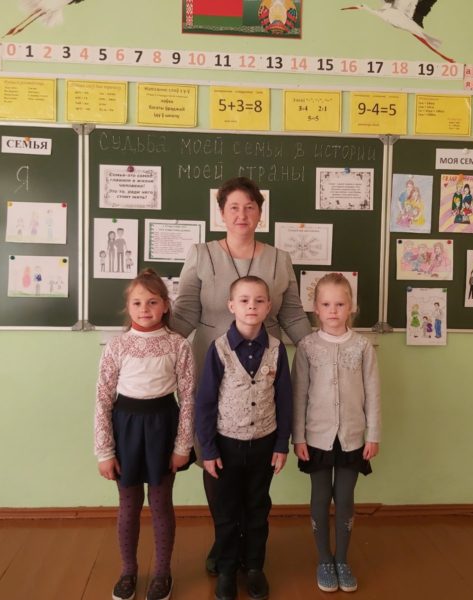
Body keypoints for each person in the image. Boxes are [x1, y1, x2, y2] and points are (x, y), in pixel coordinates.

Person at [170, 176, 311, 575]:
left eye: (250, 206)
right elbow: (184, 312)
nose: (242, 214)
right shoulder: (200, 254)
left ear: (260, 213)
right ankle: (224, 541)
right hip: (212, 367)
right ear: (221, 213)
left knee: (255, 464)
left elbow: (292, 314)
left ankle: (251, 550)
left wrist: (318, 349)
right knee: (213, 457)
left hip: (264, 369)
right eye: (233, 207)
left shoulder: (280, 259)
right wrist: (151, 344)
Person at [94, 269, 196, 600]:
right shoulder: (117, 345)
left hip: (163, 428)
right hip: (125, 430)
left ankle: (162, 573)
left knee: (161, 504)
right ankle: (128, 571)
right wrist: (105, 451)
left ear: (165, 305)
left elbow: (188, 398)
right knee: (128, 505)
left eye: (152, 302)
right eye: (137, 303)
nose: (145, 309)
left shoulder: (178, 345)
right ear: (128, 306)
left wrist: (183, 446)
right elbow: (103, 398)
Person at [195, 276, 293, 600]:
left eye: (259, 300)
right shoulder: (219, 349)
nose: (252, 306)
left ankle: (253, 567)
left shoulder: (277, 350)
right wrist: (208, 449)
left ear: (268, 306)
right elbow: (205, 402)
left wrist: (281, 444)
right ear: (231, 306)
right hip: (225, 446)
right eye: (245, 300)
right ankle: (226, 568)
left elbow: (285, 399)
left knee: (257, 508)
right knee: (225, 511)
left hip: (264, 444)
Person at [292, 273, 381, 593]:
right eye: (326, 304)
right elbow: (299, 394)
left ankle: (342, 559)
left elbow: (373, 392)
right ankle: (324, 559)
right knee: (320, 497)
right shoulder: (307, 347)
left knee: (344, 498)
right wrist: (298, 437)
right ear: (316, 308)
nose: (333, 310)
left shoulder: (362, 346)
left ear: (351, 307)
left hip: (352, 438)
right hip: (316, 438)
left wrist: (373, 434)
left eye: (340, 304)